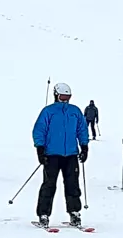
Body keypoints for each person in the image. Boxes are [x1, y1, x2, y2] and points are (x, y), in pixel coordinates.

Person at [31, 82, 89, 228]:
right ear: (56, 95)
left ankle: (74, 212)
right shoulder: (48, 111)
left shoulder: (75, 111)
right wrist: (40, 148)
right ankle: (43, 214)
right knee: (49, 185)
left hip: (71, 154)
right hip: (52, 155)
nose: (65, 100)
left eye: (67, 97)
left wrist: (84, 146)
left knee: (72, 185)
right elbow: (39, 130)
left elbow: (82, 129)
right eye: (62, 97)